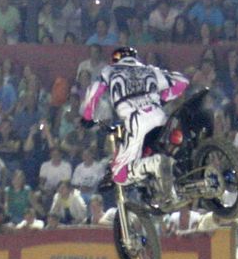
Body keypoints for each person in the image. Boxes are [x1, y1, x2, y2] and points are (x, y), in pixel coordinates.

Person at [79, 45, 190, 191]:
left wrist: (87, 117)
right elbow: (182, 82)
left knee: (119, 174)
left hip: (135, 120)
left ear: (115, 59)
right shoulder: (149, 70)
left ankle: (154, 164)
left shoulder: (110, 71)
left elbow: (94, 91)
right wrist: (162, 98)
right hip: (159, 115)